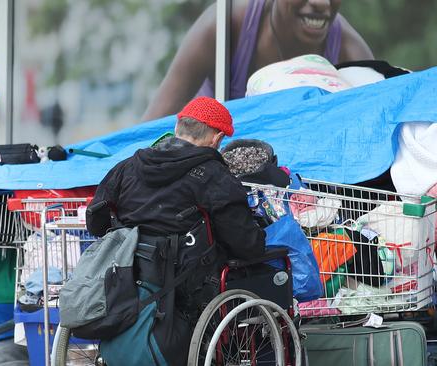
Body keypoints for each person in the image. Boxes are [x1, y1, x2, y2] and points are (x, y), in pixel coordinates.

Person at [87, 96, 266, 364]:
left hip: (124, 273)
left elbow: (95, 221)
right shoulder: (213, 175)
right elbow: (245, 243)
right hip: (187, 282)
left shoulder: (128, 166)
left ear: (178, 127)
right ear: (217, 139)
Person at [142, 0, 374, 121]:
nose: (321, 2)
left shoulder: (348, 49)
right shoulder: (224, 26)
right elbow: (152, 123)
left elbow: (381, 129)